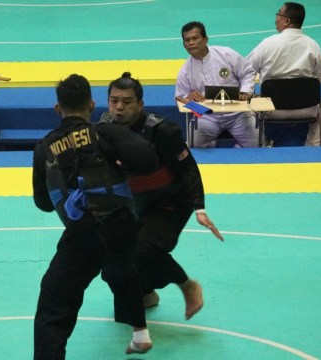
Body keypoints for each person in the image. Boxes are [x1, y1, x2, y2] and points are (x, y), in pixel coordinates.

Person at [32, 74, 159, 358]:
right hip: (124, 222)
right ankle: (140, 333)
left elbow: (42, 202)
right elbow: (148, 158)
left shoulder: (44, 147)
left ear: (57, 109)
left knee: (54, 302)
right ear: (91, 104)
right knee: (122, 269)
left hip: (86, 231)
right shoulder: (105, 132)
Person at [100, 72, 224, 320]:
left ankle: (187, 285)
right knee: (111, 265)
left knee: (144, 249)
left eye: (127, 101)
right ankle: (145, 293)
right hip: (134, 202)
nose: (119, 107)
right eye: (114, 101)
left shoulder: (162, 131)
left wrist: (199, 207)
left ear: (141, 105)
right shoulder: (104, 128)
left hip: (170, 202)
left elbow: (188, 168)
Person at [247, 2, 321, 146]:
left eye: (278, 13)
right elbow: (320, 79)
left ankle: (262, 145)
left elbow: (246, 71)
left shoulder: (267, 43)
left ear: (286, 21)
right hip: (306, 108)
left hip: (270, 110)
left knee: (246, 109)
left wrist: (249, 93)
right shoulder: (313, 45)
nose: (276, 18)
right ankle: (314, 148)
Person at [175, 21, 258, 148]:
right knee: (193, 145)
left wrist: (246, 91)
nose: (191, 43)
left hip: (238, 113)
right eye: (187, 40)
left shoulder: (226, 54)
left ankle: (238, 149)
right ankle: (211, 144)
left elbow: (248, 72)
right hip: (207, 116)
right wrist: (189, 97)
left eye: (195, 38)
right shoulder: (185, 70)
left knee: (258, 145)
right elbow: (179, 98)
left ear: (205, 39)